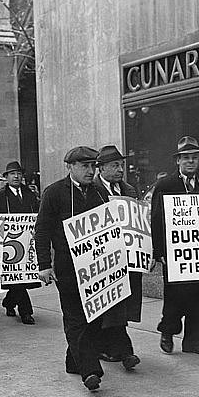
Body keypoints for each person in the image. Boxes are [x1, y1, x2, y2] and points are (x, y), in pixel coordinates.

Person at [35, 146, 107, 391]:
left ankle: (73, 360)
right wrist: (44, 265)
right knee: (76, 317)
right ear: (70, 167)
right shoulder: (54, 192)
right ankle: (90, 370)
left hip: (97, 266)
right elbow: (42, 230)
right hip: (68, 267)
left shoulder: (99, 193)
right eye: (85, 166)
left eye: (93, 166)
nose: (91, 171)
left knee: (95, 316)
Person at [151, 136, 199, 356]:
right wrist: (158, 251)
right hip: (176, 253)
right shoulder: (165, 185)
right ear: (177, 161)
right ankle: (167, 332)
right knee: (176, 298)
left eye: (194, 158)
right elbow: (157, 220)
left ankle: (194, 341)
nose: (190, 162)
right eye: (186, 158)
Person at [92, 145, 141, 371]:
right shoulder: (92, 190)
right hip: (101, 257)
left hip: (127, 256)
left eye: (121, 164)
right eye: (114, 165)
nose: (120, 169)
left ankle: (115, 349)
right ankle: (124, 351)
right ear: (100, 168)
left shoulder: (129, 189)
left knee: (120, 303)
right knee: (108, 304)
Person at [0, 161, 39, 325]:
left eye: (19, 173)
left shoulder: (30, 195)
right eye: (12, 174)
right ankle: (26, 312)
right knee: (17, 278)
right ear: (6, 177)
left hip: (27, 243)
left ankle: (9, 302)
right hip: (9, 246)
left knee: (21, 278)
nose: (16, 177)